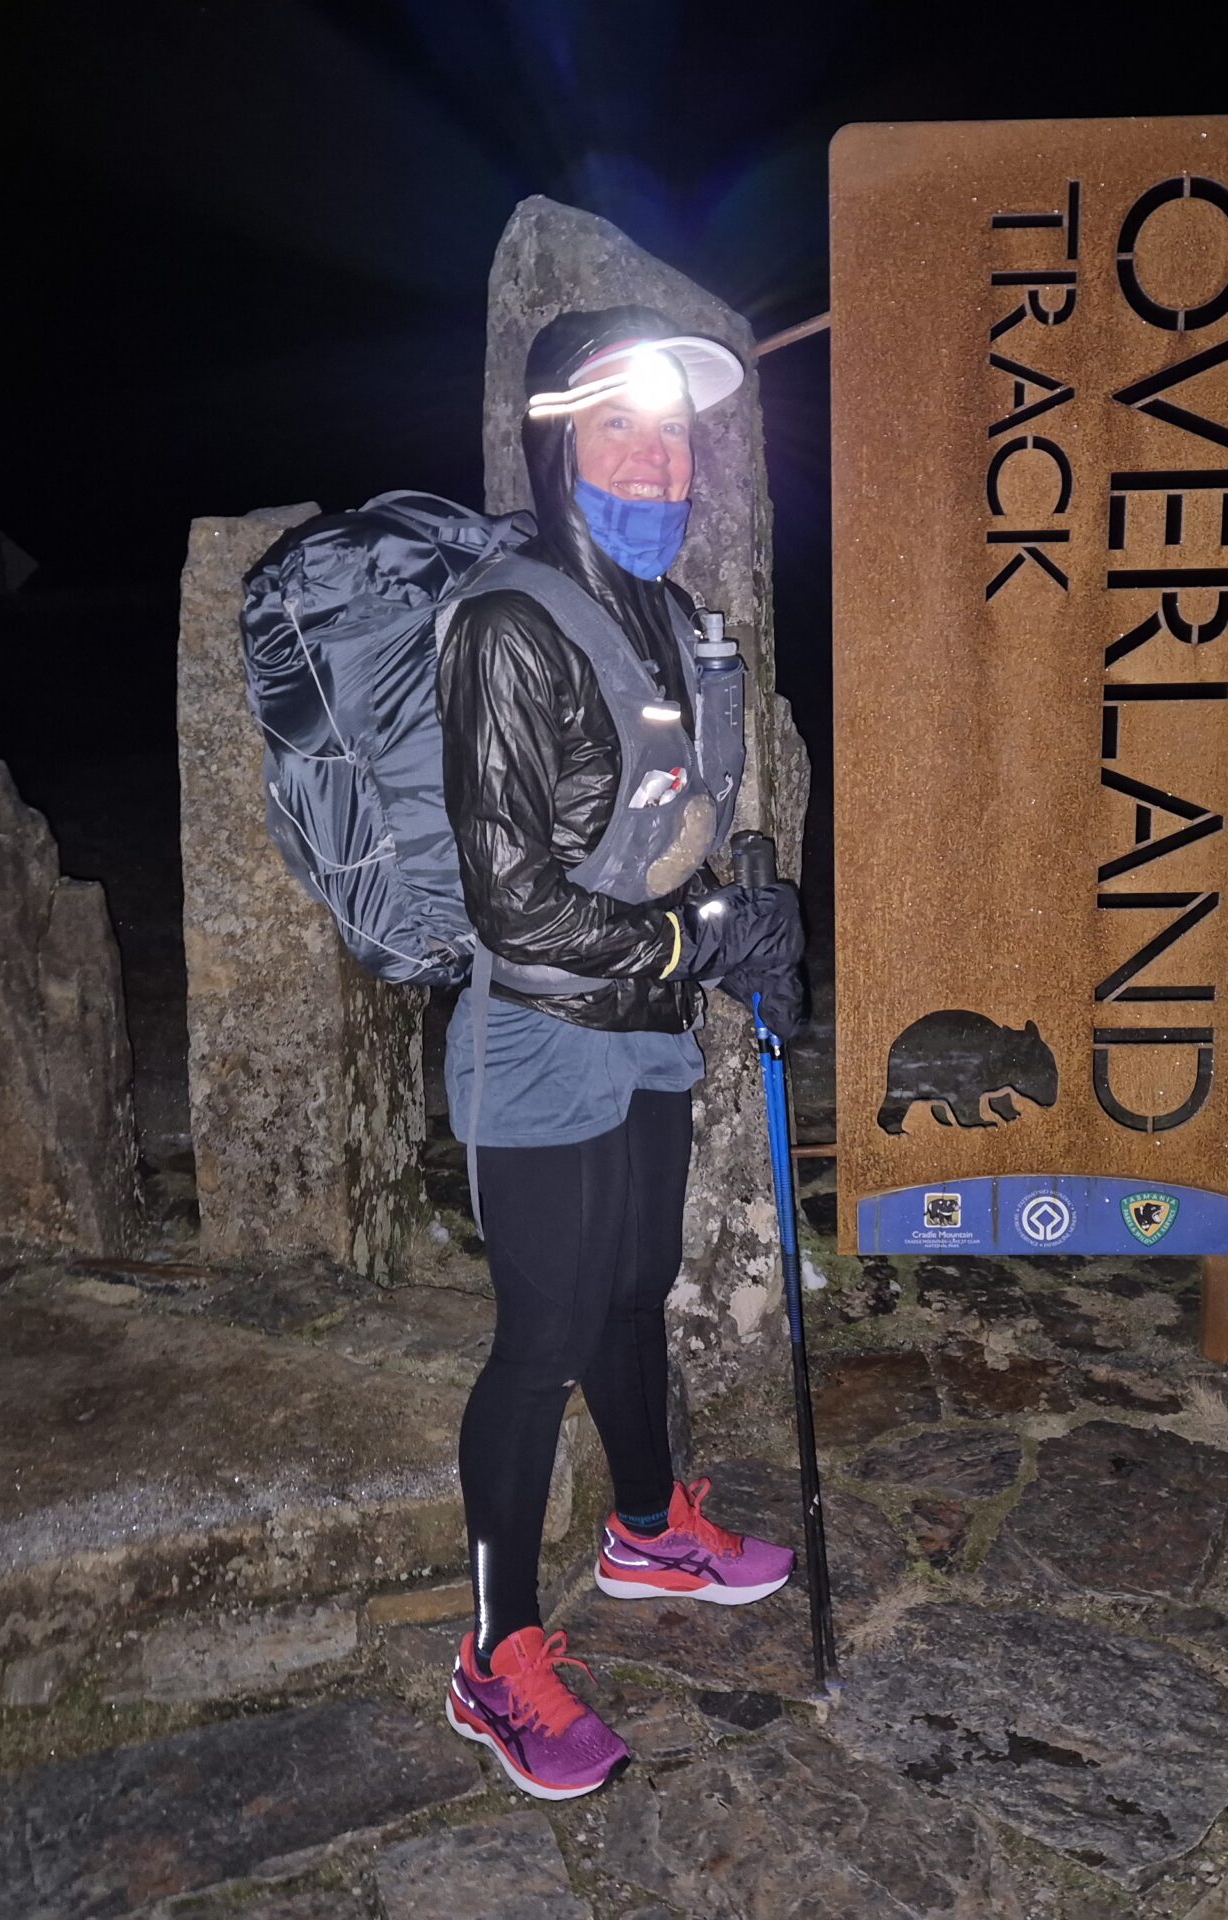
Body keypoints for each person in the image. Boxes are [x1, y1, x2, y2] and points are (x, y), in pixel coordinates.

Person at [435, 305, 807, 1801]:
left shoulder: (670, 614)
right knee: (543, 1339)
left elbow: (675, 822)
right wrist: (690, 943)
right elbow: (513, 903)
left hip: (645, 1030)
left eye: (672, 434)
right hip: (538, 1042)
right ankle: (494, 1657)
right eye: (618, 430)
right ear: (556, 446)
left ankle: (648, 1528)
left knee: (634, 1289)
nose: (655, 464)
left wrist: (748, 913)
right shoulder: (511, 627)